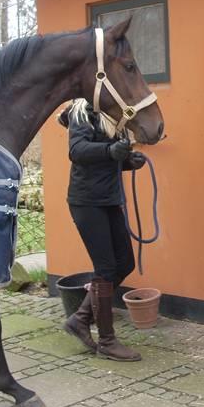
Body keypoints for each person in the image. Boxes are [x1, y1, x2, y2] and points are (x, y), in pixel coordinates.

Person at [57, 99, 146, 362]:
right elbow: (77, 150)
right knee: (106, 269)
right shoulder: (83, 111)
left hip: (108, 199)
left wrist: (129, 161)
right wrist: (110, 151)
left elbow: (108, 157)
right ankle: (106, 341)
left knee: (125, 262)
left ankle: (80, 319)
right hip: (86, 202)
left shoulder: (114, 116)